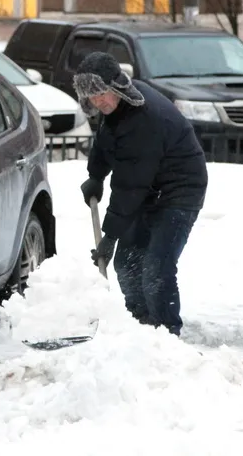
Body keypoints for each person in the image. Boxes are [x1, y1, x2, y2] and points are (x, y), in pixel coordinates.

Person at [74, 52, 208, 337]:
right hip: (149, 191)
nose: (100, 102)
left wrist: (109, 236)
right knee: (126, 265)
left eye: (103, 94)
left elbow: (129, 185)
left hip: (180, 192)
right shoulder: (117, 110)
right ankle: (143, 328)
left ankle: (167, 335)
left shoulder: (143, 118)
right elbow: (106, 142)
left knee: (156, 268)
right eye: (93, 98)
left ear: (117, 86)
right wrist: (96, 175)